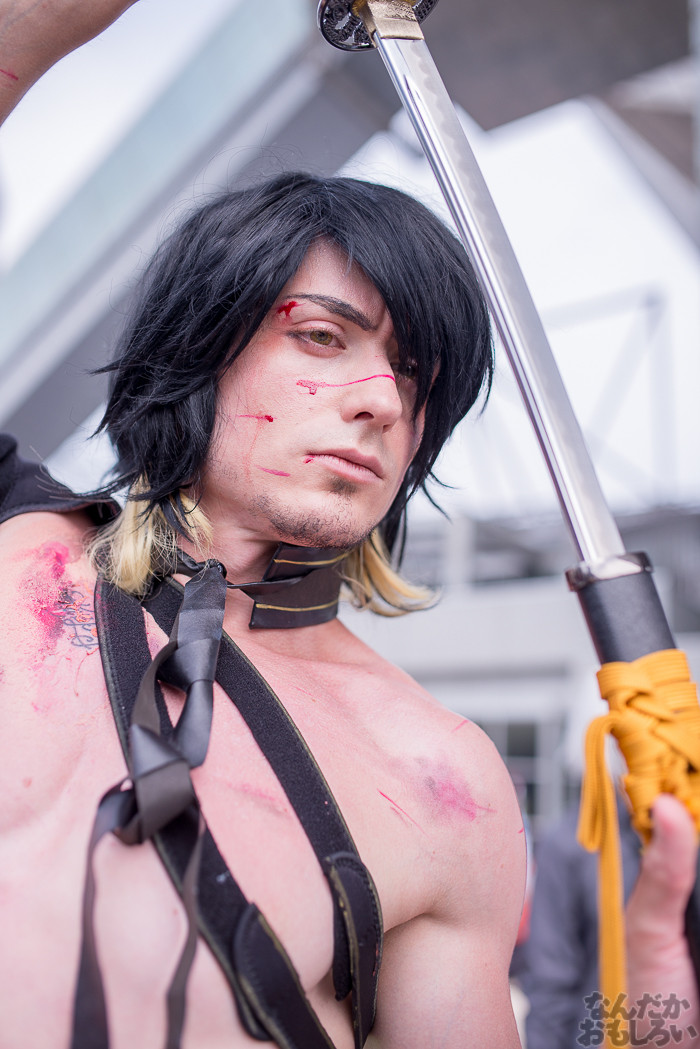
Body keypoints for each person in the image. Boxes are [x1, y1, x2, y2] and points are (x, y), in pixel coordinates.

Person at [0, 4, 697, 1049]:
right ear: (199, 349)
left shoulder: (440, 778)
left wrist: (659, 1006)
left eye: (414, 376)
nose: (380, 399)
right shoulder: (15, 541)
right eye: (324, 337)